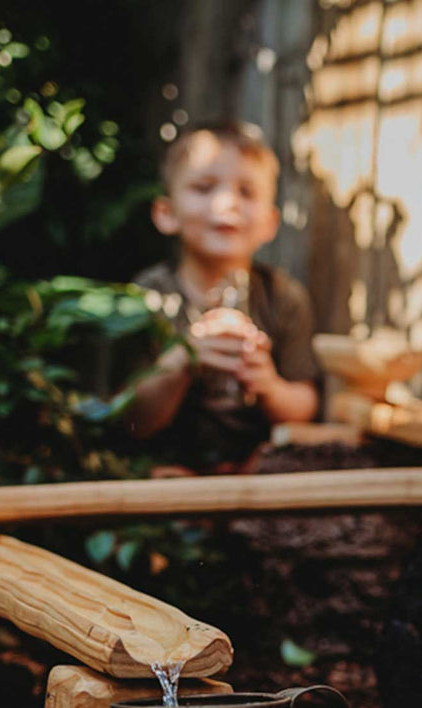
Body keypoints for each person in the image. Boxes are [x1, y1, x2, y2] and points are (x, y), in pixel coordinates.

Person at [129, 121, 319, 470]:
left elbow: (304, 406)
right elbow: (134, 419)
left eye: (246, 192)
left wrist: (270, 386)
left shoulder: (284, 298)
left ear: (269, 223)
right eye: (204, 187)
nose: (227, 202)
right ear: (166, 214)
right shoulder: (146, 298)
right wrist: (183, 360)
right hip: (165, 475)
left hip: (254, 476)